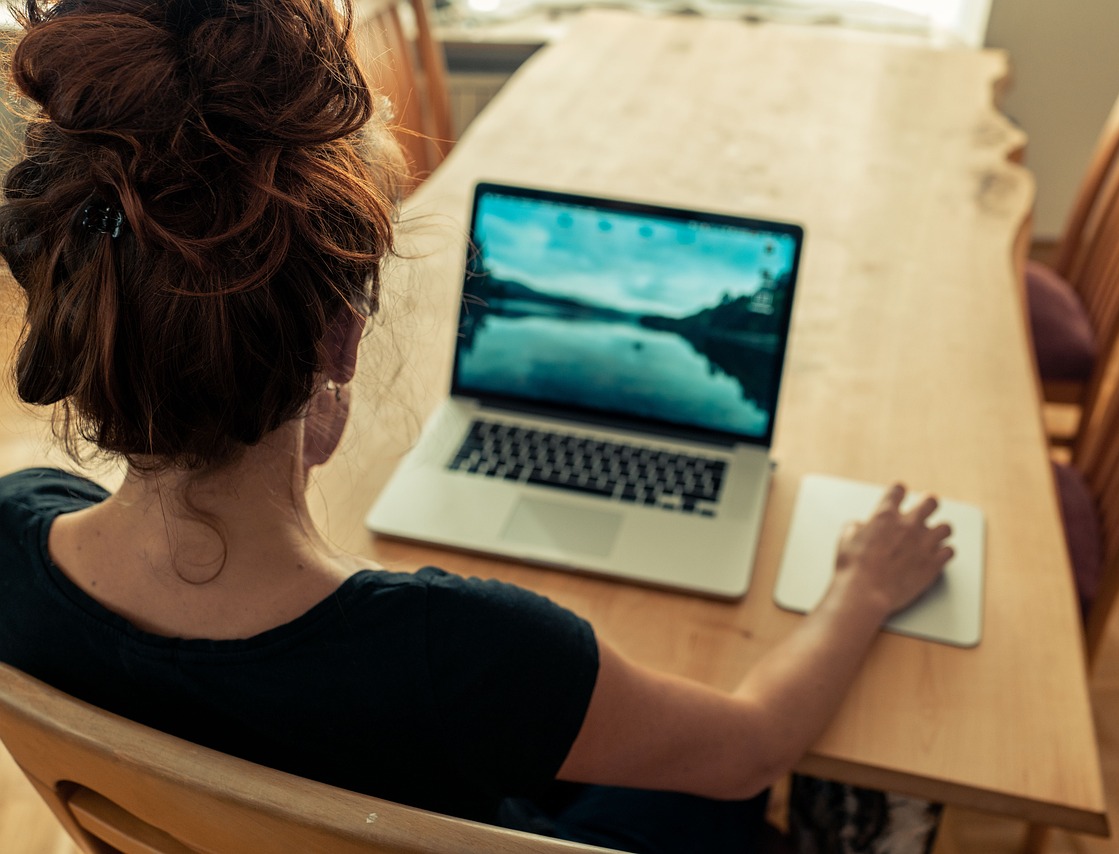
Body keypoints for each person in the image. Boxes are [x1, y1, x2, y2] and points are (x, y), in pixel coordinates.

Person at [0, 1, 953, 851]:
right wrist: (862, 589)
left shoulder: (12, 537)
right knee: (721, 806)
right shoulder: (464, 656)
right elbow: (750, 750)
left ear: (84, 320)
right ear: (339, 339)